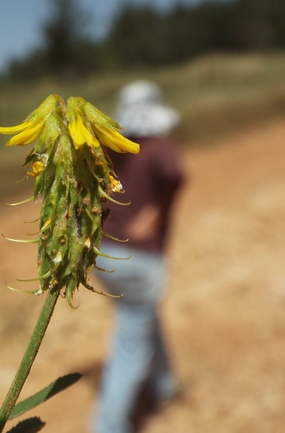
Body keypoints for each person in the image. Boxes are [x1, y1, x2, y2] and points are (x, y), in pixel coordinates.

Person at [92, 80, 186, 433]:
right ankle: (107, 426)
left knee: (141, 313)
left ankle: (163, 383)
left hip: (104, 253)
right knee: (130, 347)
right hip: (140, 259)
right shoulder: (160, 147)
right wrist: (158, 212)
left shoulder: (112, 148)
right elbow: (177, 174)